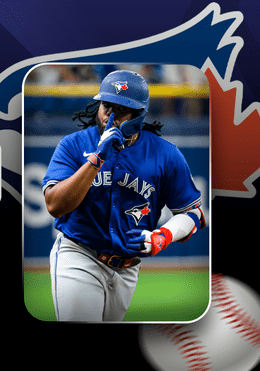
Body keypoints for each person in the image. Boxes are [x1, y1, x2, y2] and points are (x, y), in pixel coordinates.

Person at [42, 70, 205, 321]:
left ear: (139, 115)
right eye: (106, 105)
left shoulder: (165, 154)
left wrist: (163, 235)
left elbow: (193, 213)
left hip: (128, 269)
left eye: (121, 109)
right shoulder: (73, 145)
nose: (109, 115)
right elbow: (54, 205)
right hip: (79, 255)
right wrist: (97, 160)